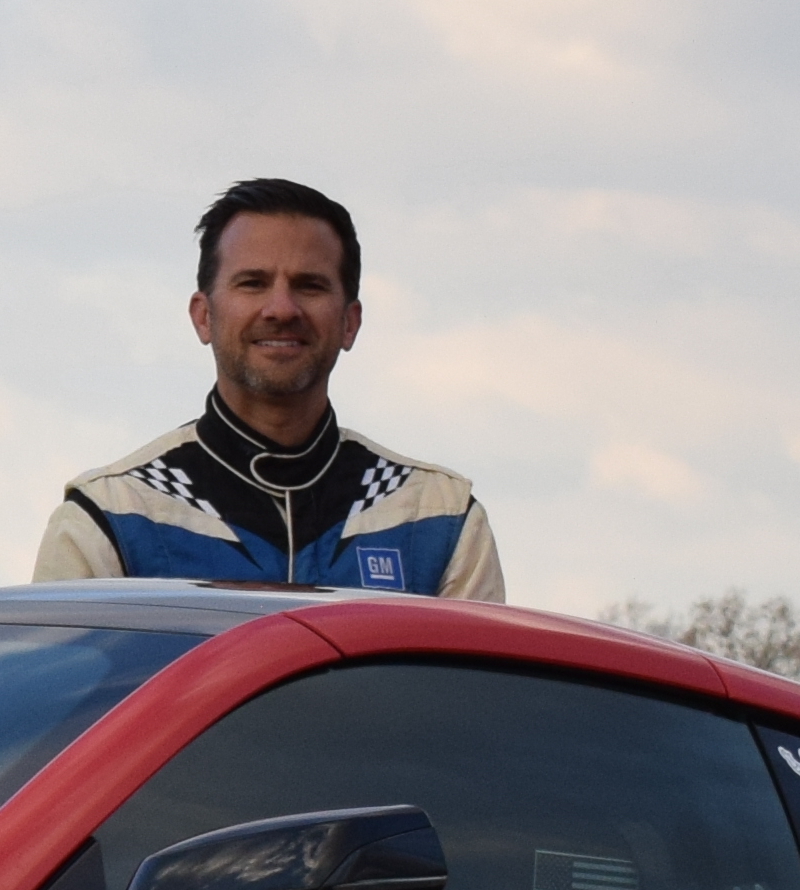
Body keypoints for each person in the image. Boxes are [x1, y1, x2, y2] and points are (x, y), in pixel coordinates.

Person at [36, 174, 511, 600]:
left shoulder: (439, 519)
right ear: (204, 316)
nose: (282, 308)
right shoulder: (111, 517)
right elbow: (70, 698)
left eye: (309, 285)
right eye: (252, 283)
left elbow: (478, 699)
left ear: (350, 322)